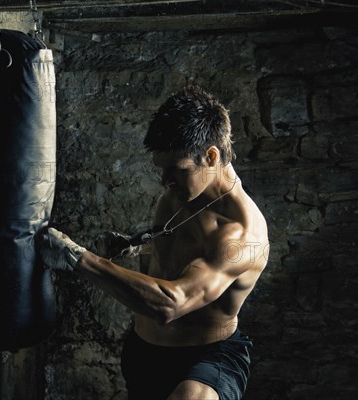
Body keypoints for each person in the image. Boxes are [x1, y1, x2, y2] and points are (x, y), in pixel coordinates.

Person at [38, 85, 269, 400]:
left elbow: (172, 303)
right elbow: (175, 252)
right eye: (162, 169)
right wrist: (136, 245)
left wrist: (76, 257)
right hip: (143, 352)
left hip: (206, 359)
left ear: (211, 155)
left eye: (177, 170)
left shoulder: (241, 235)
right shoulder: (179, 195)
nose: (165, 181)